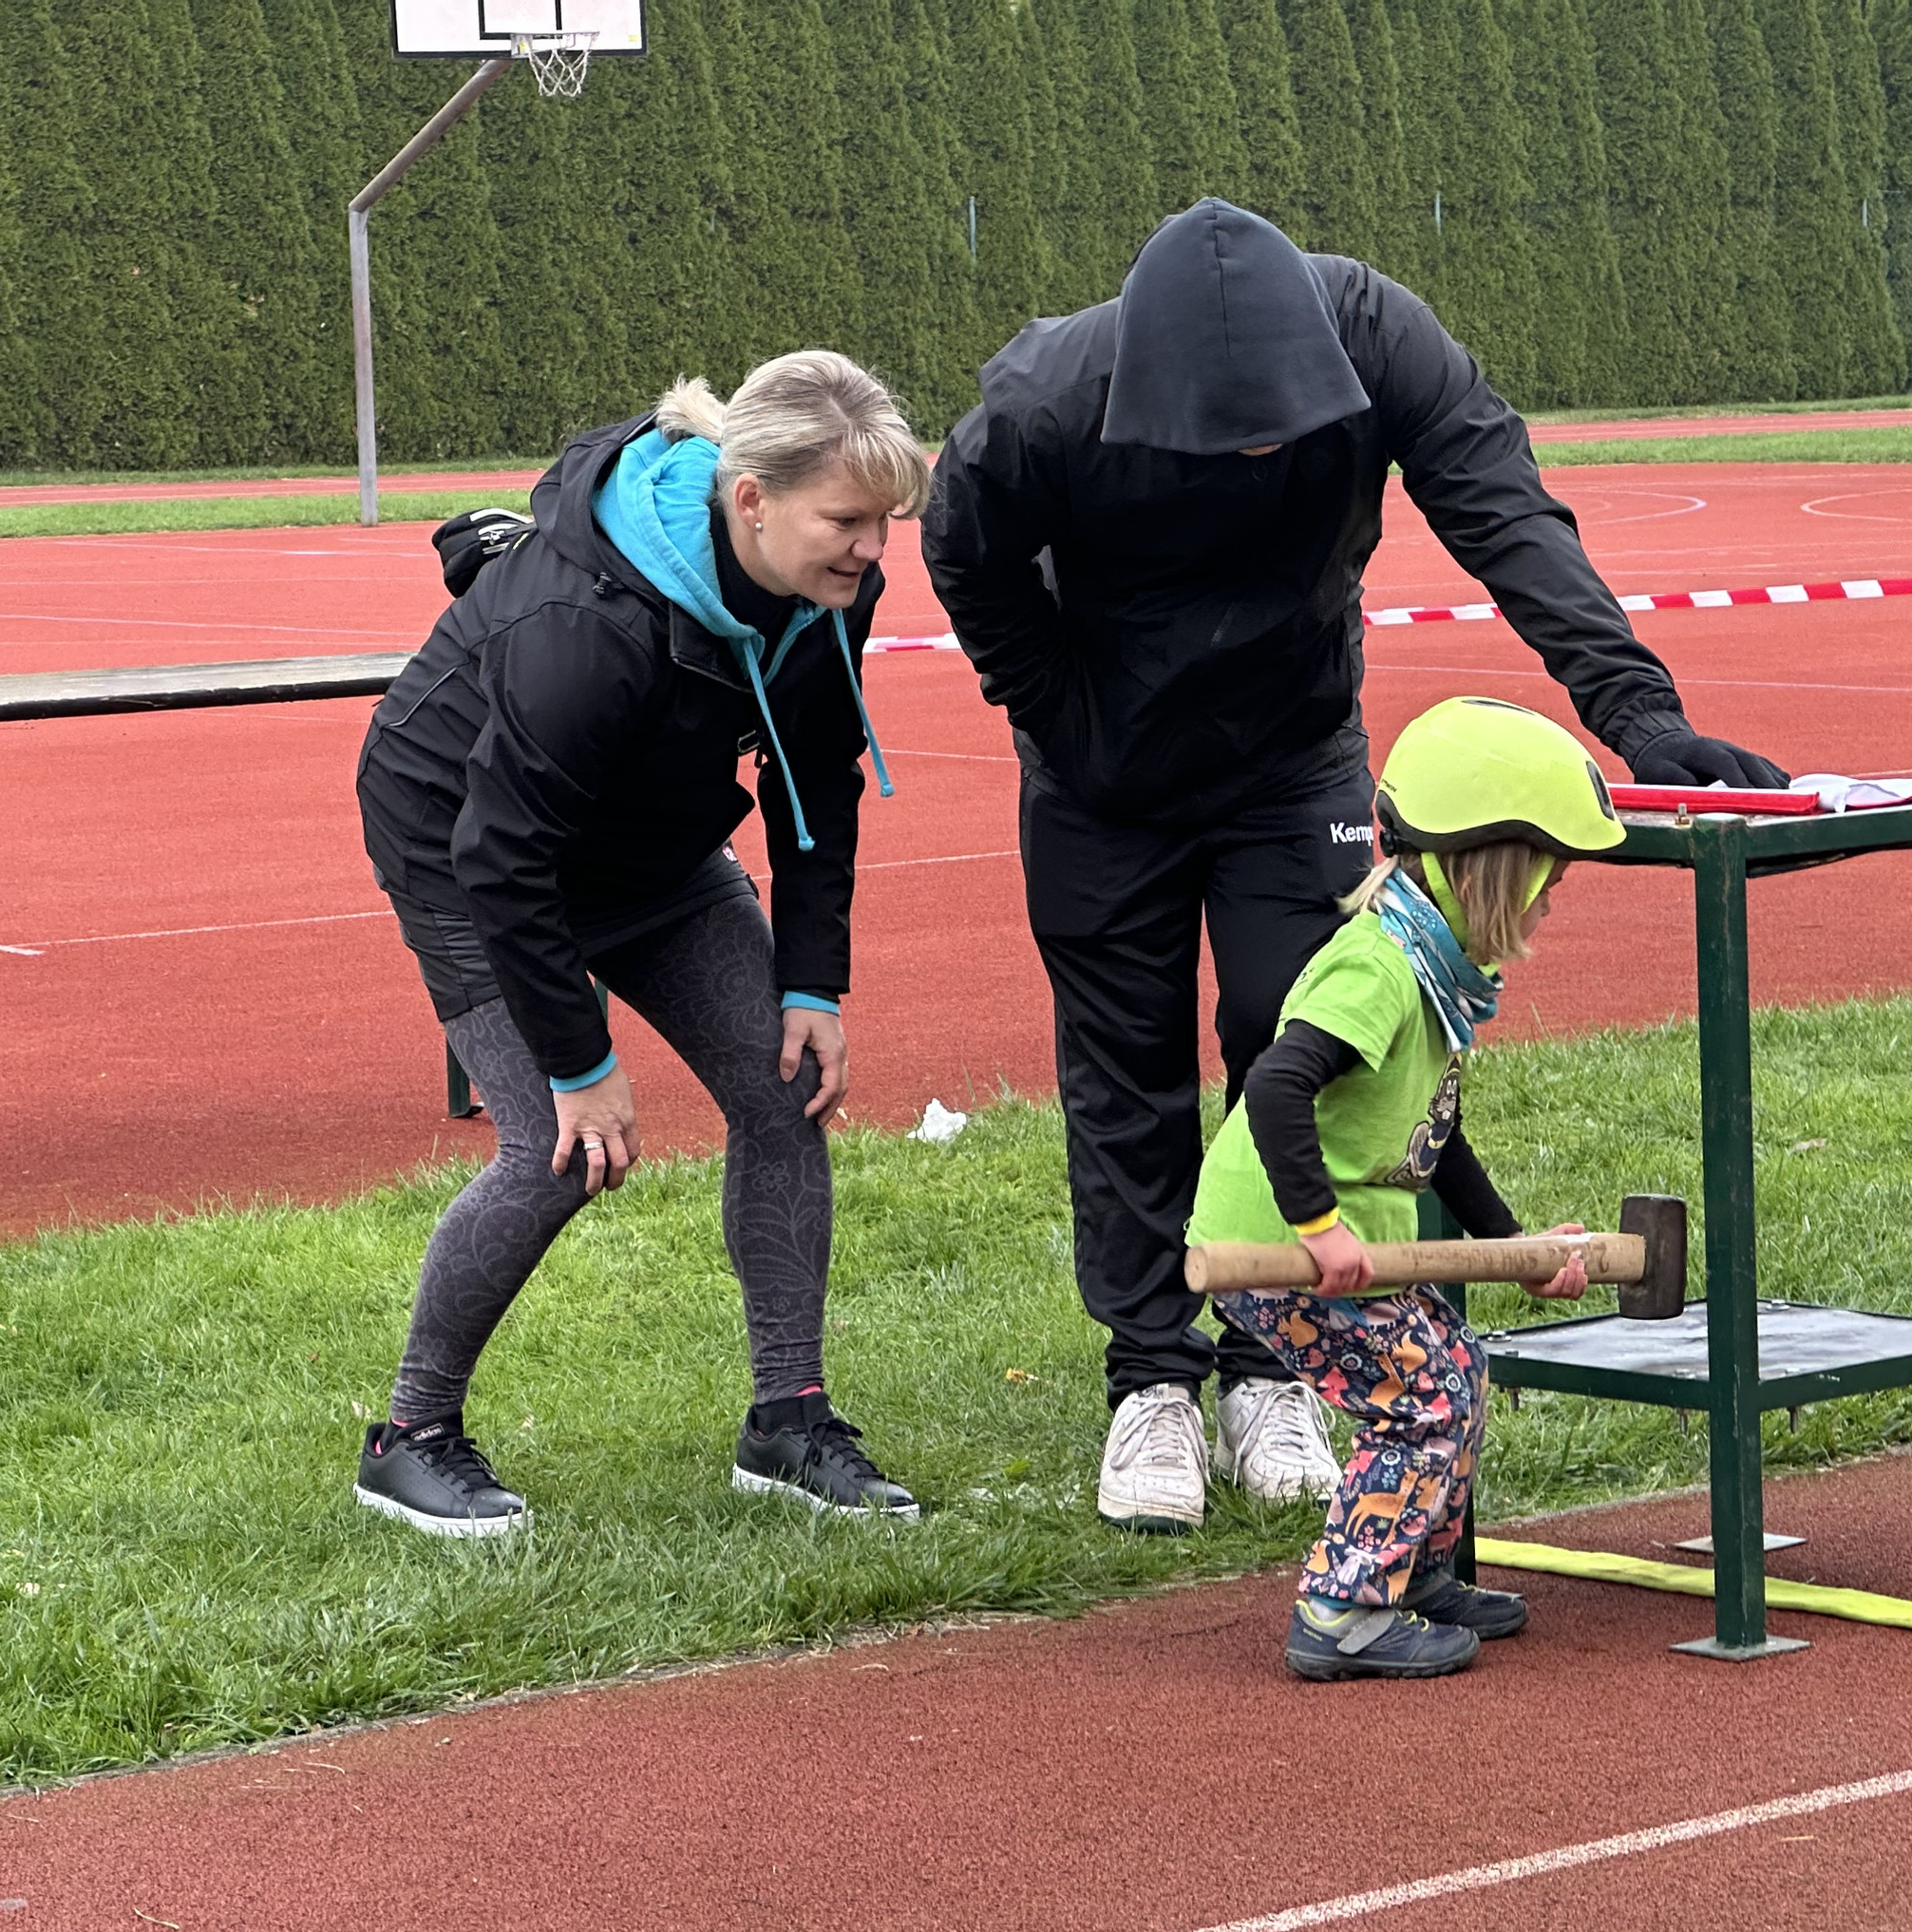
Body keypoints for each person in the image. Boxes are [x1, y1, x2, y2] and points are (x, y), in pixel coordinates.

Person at [922, 197, 1783, 1534]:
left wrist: (1639, 713)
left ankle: (1272, 1368)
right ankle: (1150, 1377)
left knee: (1304, 1028)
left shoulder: (1383, 342)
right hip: (1099, 767)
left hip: (1291, 748)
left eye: (1279, 433)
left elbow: (1506, 515)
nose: (1257, 456)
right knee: (1123, 1058)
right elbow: (960, 552)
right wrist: (1058, 714)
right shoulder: (1044, 404)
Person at [350, 352, 929, 1537]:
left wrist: (812, 982)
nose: (873, 551)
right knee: (556, 1150)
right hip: (463, 840)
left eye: (885, 523)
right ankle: (408, 1439)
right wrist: (579, 1063)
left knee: (783, 1088)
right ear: (750, 498)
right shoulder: (588, 620)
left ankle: (788, 1422)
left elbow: (818, 776)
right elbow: (502, 852)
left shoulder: (829, 583)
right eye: (847, 521)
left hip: (645, 842)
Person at [1186, 696, 1618, 1678]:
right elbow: (1274, 1084)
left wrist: (1518, 1250)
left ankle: (1408, 1573)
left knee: (1457, 1367)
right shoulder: (1381, 970)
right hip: (1278, 1239)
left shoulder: (1431, 972)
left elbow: (1434, 1136)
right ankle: (1341, 1609)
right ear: (1493, 875)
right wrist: (1317, 1226)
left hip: (1342, 1236)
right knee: (1422, 1398)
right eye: (1547, 884)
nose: (1550, 908)